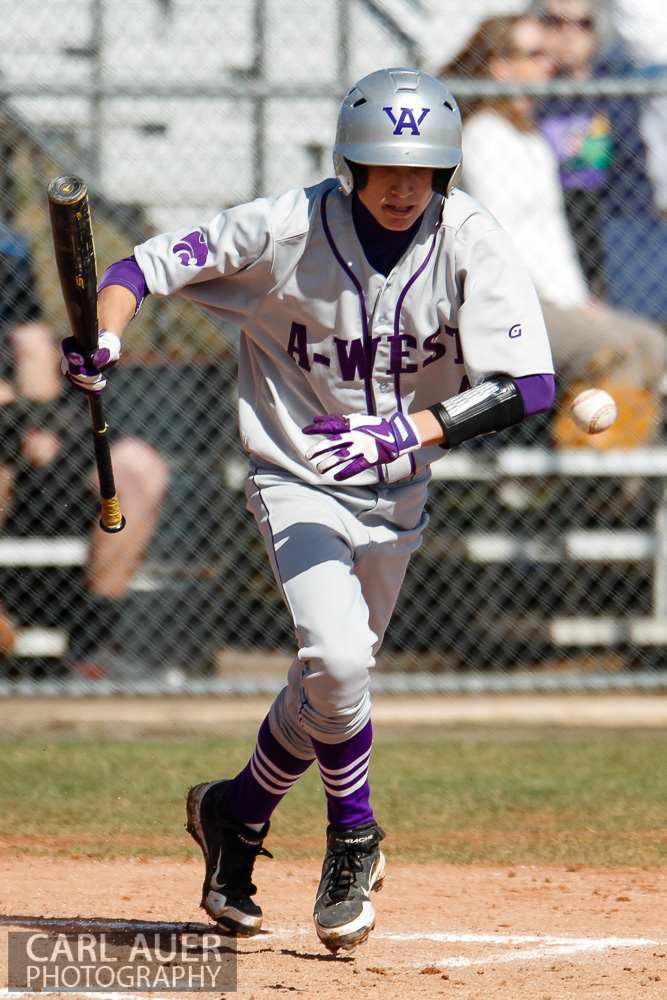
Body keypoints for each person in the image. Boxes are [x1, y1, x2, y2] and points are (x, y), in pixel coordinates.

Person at [65, 67, 555, 953]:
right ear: (348, 166)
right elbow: (140, 266)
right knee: (335, 657)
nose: (402, 187)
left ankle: (234, 813)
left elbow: (529, 383)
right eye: (381, 167)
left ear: (445, 175)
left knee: (331, 681)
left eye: (422, 171)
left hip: (398, 484)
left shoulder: (470, 238)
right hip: (294, 471)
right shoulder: (285, 227)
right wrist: (108, 332)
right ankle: (352, 838)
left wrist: (408, 432)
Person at [441, 14, 666, 447]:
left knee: (651, 342)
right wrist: (568, 304)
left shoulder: (530, 136)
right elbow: (506, 239)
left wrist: (579, 301)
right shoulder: (483, 135)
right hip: (511, 299)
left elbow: (553, 234)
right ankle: (584, 475)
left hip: (553, 296)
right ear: (499, 68)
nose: (548, 64)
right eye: (533, 54)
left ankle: (618, 477)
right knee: (614, 348)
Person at [0, 218, 169, 677]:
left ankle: (91, 651)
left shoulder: (8, 248)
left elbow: (32, 339)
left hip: (38, 441)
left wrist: (31, 422)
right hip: (10, 446)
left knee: (139, 469)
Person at [536, 0, 658, 297]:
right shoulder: (533, 89)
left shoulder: (620, 81)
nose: (568, 34)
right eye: (556, 22)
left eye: (582, 24)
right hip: (558, 223)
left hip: (620, 221)